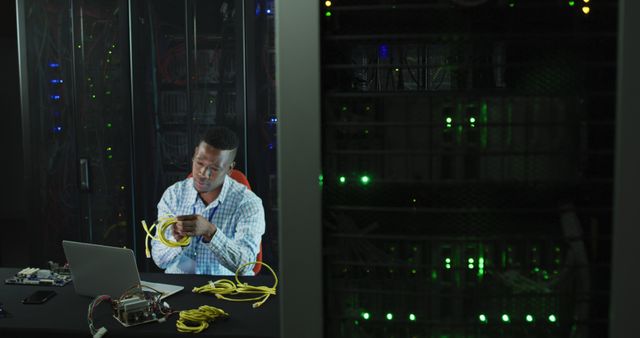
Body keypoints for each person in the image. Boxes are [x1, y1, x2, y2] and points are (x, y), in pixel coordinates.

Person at [151, 126, 265, 275]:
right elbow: (159, 260)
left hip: (225, 290)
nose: (203, 173)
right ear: (194, 154)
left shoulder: (249, 204)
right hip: (179, 287)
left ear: (229, 169)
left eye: (214, 168)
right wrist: (176, 241)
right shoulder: (174, 195)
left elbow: (246, 265)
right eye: (199, 163)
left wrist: (210, 232)